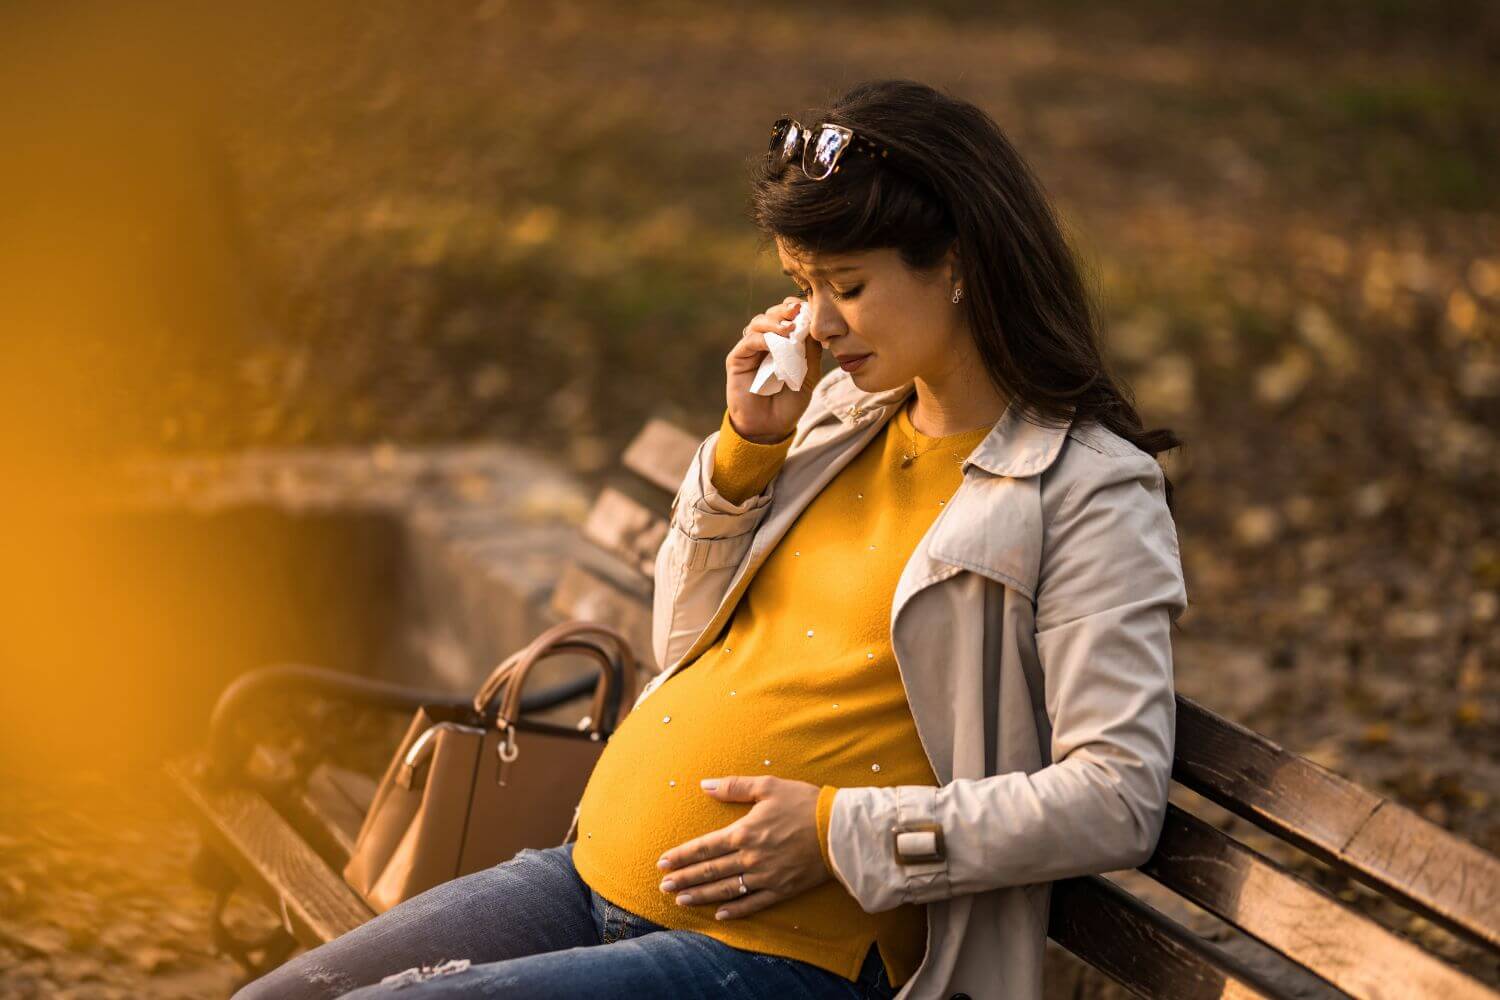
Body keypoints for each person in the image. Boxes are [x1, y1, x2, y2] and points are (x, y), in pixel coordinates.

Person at [233, 77, 1188, 1000]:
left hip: (794, 952)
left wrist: (834, 831)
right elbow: (680, 636)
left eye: (847, 287)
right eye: (802, 287)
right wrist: (747, 451)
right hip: (590, 870)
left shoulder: (1088, 491)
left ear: (959, 266)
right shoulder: (840, 418)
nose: (816, 325)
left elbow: (1117, 794)